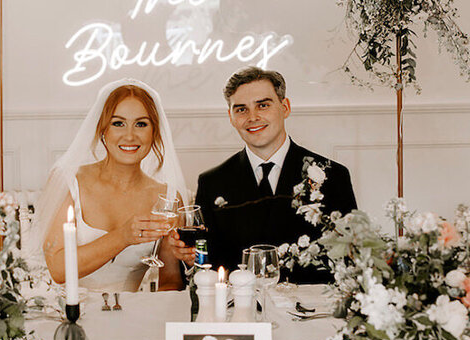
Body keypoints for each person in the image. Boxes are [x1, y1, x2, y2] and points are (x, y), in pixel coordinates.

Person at [170, 67, 356, 283]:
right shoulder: (212, 182)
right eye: (241, 109)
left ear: (284, 107)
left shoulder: (333, 176)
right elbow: (209, 263)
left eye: (263, 105)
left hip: (313, 310)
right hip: (240, 310)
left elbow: (349, 260)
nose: (252, 117)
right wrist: (191, 259)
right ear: (230, 116)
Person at [23, 80, 187, 291]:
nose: (130, 135)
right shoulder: (67, 181)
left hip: (130, 316)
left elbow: (171, 282)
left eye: (141, 124)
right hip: (70, 315)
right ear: (102, 130)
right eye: (118, 123)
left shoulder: (168, 198)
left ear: (155, 133)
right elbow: (58, 270)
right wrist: (123, 236)